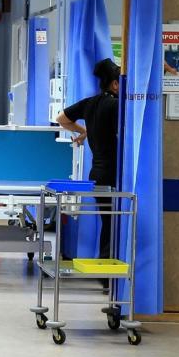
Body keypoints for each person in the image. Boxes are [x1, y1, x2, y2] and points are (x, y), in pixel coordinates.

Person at [56, 58, 120, 263]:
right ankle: (108, 272)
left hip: (97, 174)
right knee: (114, 223)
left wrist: (85, 131)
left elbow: (62, 119)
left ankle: (105, 270)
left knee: (107, 222)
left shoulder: (91, 103)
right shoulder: (118, 106)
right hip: (114, 173)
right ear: (115, 84)